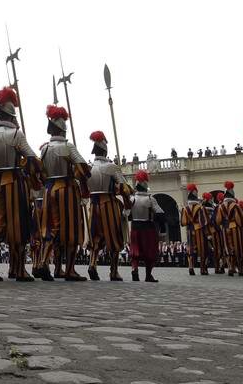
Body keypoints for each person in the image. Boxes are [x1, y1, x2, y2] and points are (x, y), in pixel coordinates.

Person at [0, 86, 41, 282]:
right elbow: (32, 159)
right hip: (14, 183)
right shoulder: (17, 134)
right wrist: (36, 177)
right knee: (18, 226)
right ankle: (17, 269)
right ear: (12, 116)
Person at [37, 105, 89, 281]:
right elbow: (84, 169)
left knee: (51, 227)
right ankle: (70, 270)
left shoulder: (44, 148)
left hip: (49, 189)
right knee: (71, 230)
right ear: (63, 129)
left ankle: (45, 262)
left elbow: (41, 172)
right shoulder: (68, 147)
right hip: (66, 189)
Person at [86, 130, 128, 282]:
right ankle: (114, 271)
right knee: (114, 237)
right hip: (108, 203)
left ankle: (92, 264)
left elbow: (84, 188)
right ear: (105, 150)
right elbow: (124, 187)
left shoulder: (89, 167)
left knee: (95, 237)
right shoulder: (111, 167)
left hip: (93, 204)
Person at [128, 169, 162, 282]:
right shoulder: (150, 199)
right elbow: (160, 213)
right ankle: (148, 275)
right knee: (149, 252)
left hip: (134, 227)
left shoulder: (131, 199)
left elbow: (125, 214)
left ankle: (134, 269)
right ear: (144, 183)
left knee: (135, 251)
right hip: (147, 227)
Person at [215, 181, 243, 276]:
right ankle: (241, 269)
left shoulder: (221, 207)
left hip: (225, 229)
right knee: (239, 248)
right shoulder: (236, 206)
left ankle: (230, 268)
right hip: (235, 228)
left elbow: (218, 220)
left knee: (228, 248)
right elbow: (241, 220)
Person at [181, 182, 211, 276]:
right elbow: (205, 222)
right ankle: (203, 269)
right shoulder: (201, 208)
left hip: (190, 230)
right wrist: (208, 233)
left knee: (191, 249)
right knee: (203, 249)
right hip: (199, 230)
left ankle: (191, 267)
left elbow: (183, 222)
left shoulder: (185, 208)